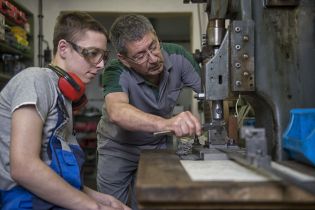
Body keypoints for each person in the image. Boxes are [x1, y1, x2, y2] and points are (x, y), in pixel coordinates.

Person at [0, 11, 130, 210]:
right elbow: (24, 167)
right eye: (92, 53)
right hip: (25, 203)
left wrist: (101, 199)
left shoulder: (64, 98)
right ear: (63, 48)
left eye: (104, 56)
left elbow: (57, 174)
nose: (101, 64)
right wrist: (93, 207)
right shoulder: (35, 80)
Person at [96, 14, 202, 209]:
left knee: (153, 202)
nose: (153, 59)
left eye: (153, 46)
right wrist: (167, 123)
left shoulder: (178, 56)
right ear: (124, 59)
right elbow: (117, 111)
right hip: (118, 149)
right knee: (113, 206)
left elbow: (210, 91)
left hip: (156, 146)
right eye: (140, 55)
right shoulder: (116, 70)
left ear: (156, 36)